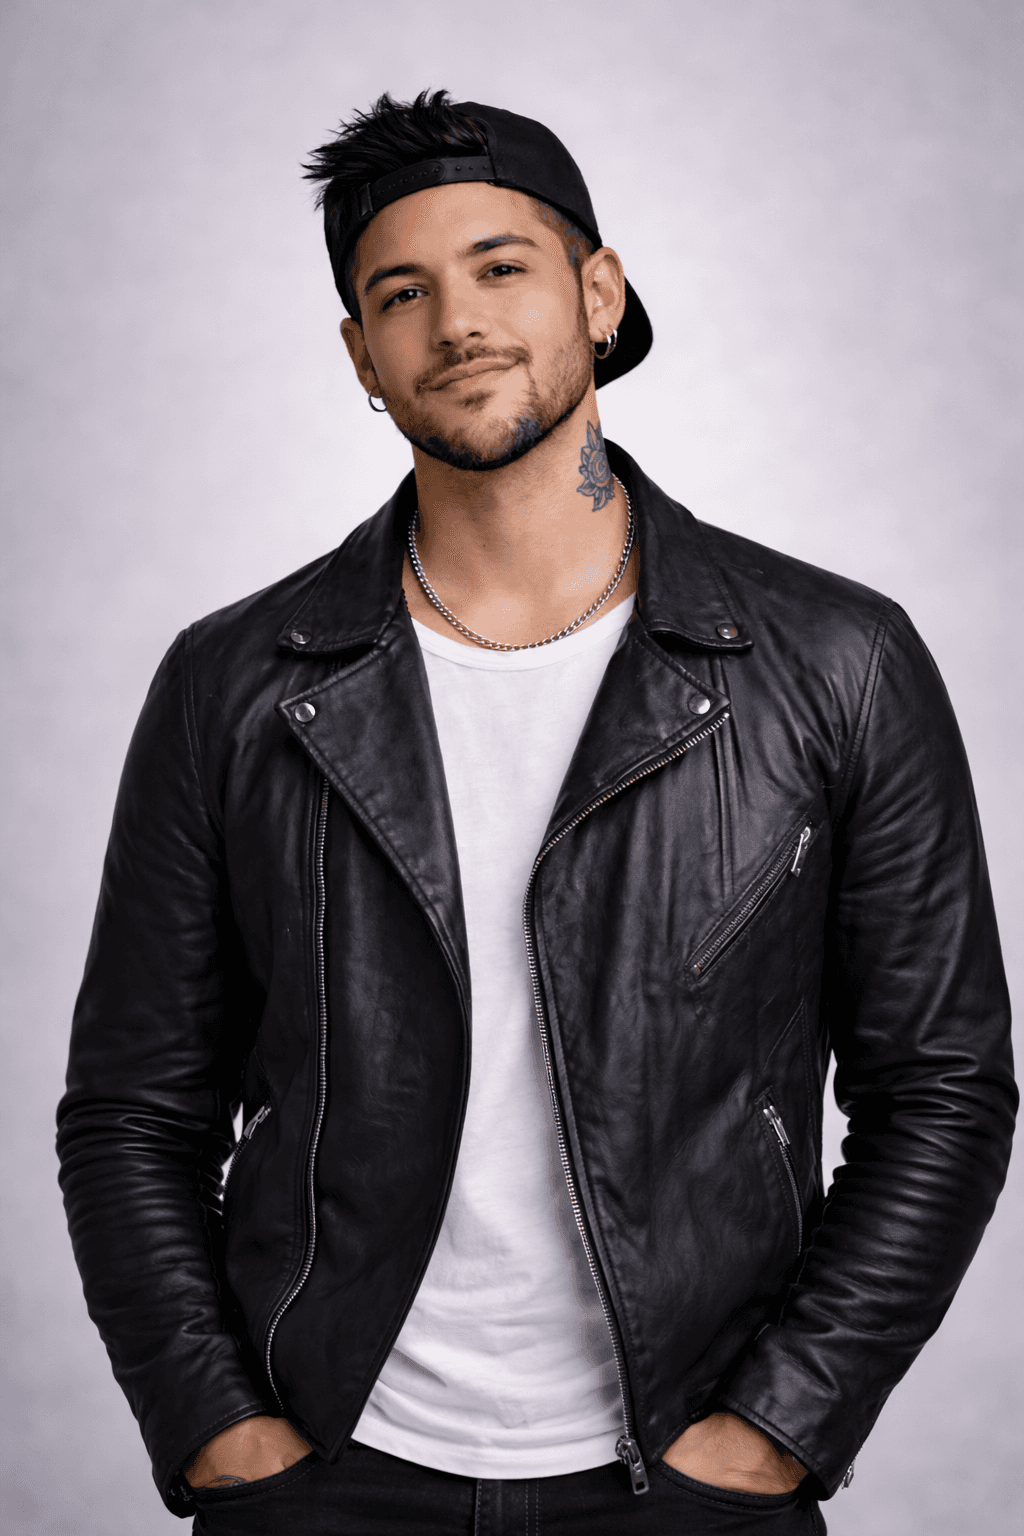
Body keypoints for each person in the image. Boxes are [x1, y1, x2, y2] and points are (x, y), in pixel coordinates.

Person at [57, 91, 1016, 1535]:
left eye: (501, 267)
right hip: (330, 1471)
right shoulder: (233, 684)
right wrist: (219, 1434)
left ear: (598, 290)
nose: (458, 322)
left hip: (689, 1476)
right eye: (403, 293)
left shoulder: (837, 662)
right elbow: (136, 1108)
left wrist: (778, 1430)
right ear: (361, 359)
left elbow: (942, 1088)